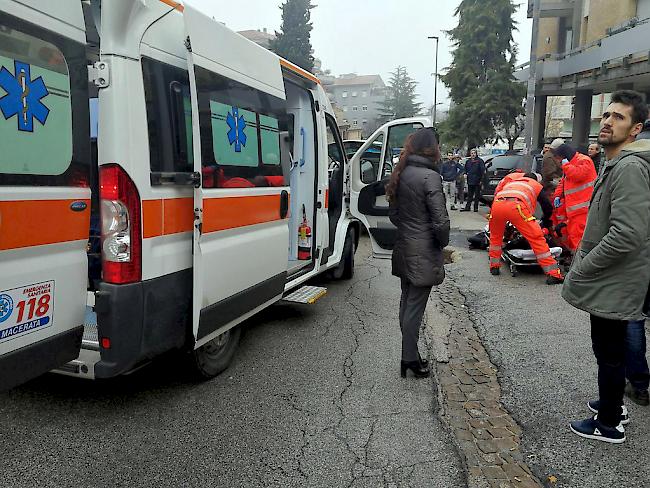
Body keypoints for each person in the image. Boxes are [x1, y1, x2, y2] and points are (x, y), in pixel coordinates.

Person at [563, 90, 650, 444]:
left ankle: (609, 423)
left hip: (615, 278)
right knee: (608, 351)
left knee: (610, 353)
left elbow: (627, 234)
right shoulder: (614, 162)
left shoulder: (628, 167)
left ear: (635, 129)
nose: (608, 122)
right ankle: (613, 403)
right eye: (607, 115)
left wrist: (585, 266)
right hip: (612, 277)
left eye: (619, 118)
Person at [386, 128, 450, 379]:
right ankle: (409, 358)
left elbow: (393, 214)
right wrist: (440, 243)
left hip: (404, 246)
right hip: (423, 250)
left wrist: (408, 229)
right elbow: (441, 222)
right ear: (431, 148)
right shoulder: (429, 177)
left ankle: (409, 354)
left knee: (407, 303)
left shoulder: (401, 173)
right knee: (414, 307)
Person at [488, 172, 564, 284]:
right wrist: (546, 220)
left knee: (495, 237)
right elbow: (547, 206)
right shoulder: (535, 185)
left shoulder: (512, 183)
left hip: (497, 205)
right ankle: (553, 274)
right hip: (516, 207)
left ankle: (494, 266)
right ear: (536, 180)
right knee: (536, 238)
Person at [550, 143, 598, 253]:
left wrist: (566, 166)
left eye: (559, 158)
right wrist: (557, 196)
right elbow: (563, 181)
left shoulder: (584, 160)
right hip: (574, 208)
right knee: (573, 235)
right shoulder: (571, 163)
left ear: (564, 155)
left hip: (583, 207)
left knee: (578, 237)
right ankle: (575, 259)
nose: (558, 161)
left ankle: (579, 262)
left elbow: (578, 175)